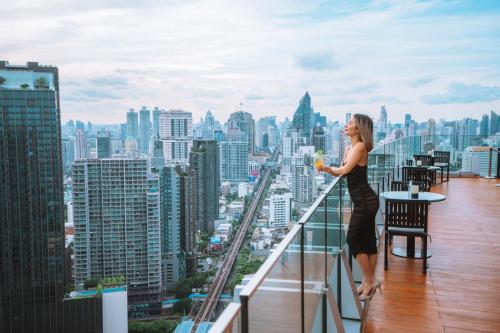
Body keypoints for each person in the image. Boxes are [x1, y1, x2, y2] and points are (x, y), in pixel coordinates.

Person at [317, 114, 381, 300]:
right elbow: (344, 173)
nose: (347, 125)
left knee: (353, 240)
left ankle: (370, 281)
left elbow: (344, 170)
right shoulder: (349, 148)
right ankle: (367, 283)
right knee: (368, 242)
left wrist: (328, 169)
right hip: (362, 201)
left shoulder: (360, 147)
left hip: (366, 202)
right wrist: (327, 169)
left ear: (359, 129)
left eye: (351, 122)